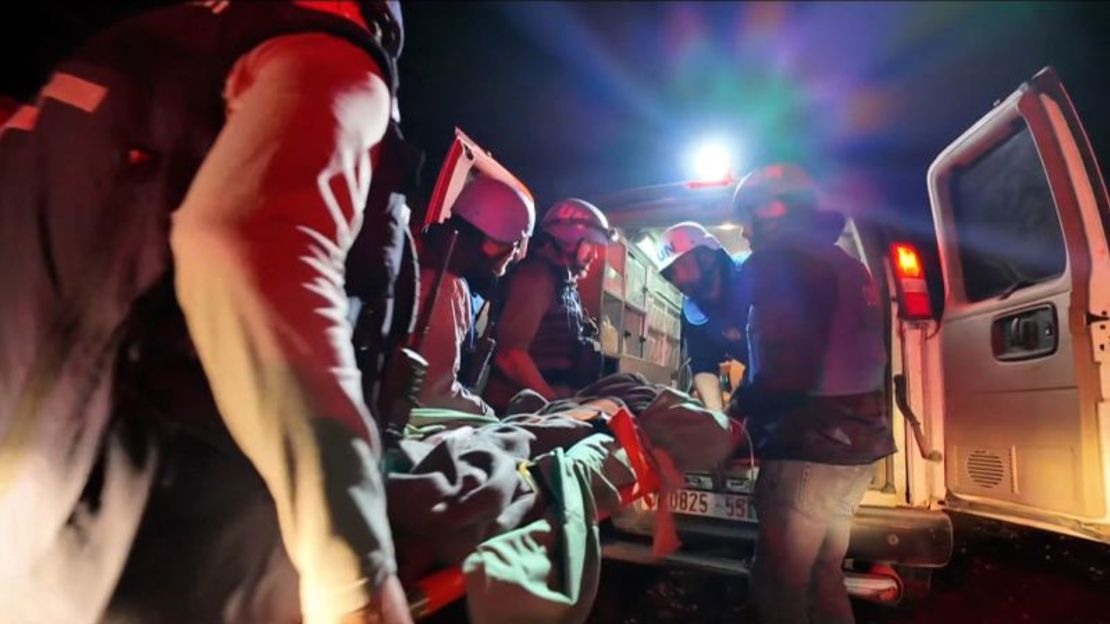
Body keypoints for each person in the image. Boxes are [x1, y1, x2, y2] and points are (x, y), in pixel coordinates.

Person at [0, 2, 417, 622]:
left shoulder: (132, 44)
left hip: (31, 505)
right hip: (150, 530)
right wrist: (354, 570)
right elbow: (246, 249)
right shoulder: (327, 56)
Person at [726, 163, 895, 624]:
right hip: (857, 444)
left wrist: (734, 416)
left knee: (780, 586)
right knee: (824, 573)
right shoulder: (844, 263)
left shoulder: (786, 261)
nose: (744, 232)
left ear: (772, 211)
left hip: (812, 444)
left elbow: (787, 370)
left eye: (748, 218)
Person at [414, 175, 535, 418]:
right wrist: (491, 418)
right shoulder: (447, 286)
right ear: (492, 242)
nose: (514, 255)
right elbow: (435, 395)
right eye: (514, 244)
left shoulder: (438, 265)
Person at [484, 198, 613, 411]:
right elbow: (510, 355)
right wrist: (557, 407)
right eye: (590, 244)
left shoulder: (563, 283)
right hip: (517, 411)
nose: (595, 255)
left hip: (542, 407)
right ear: (568, 239)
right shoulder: (536, 277)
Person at [656, 221, 749, 411]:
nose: (676, 279)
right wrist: (717, 417)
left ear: (706, 256)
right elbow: (704, 366)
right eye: (670, 274)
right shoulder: (693, 310)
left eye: (679, 267)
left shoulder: (754, 275)